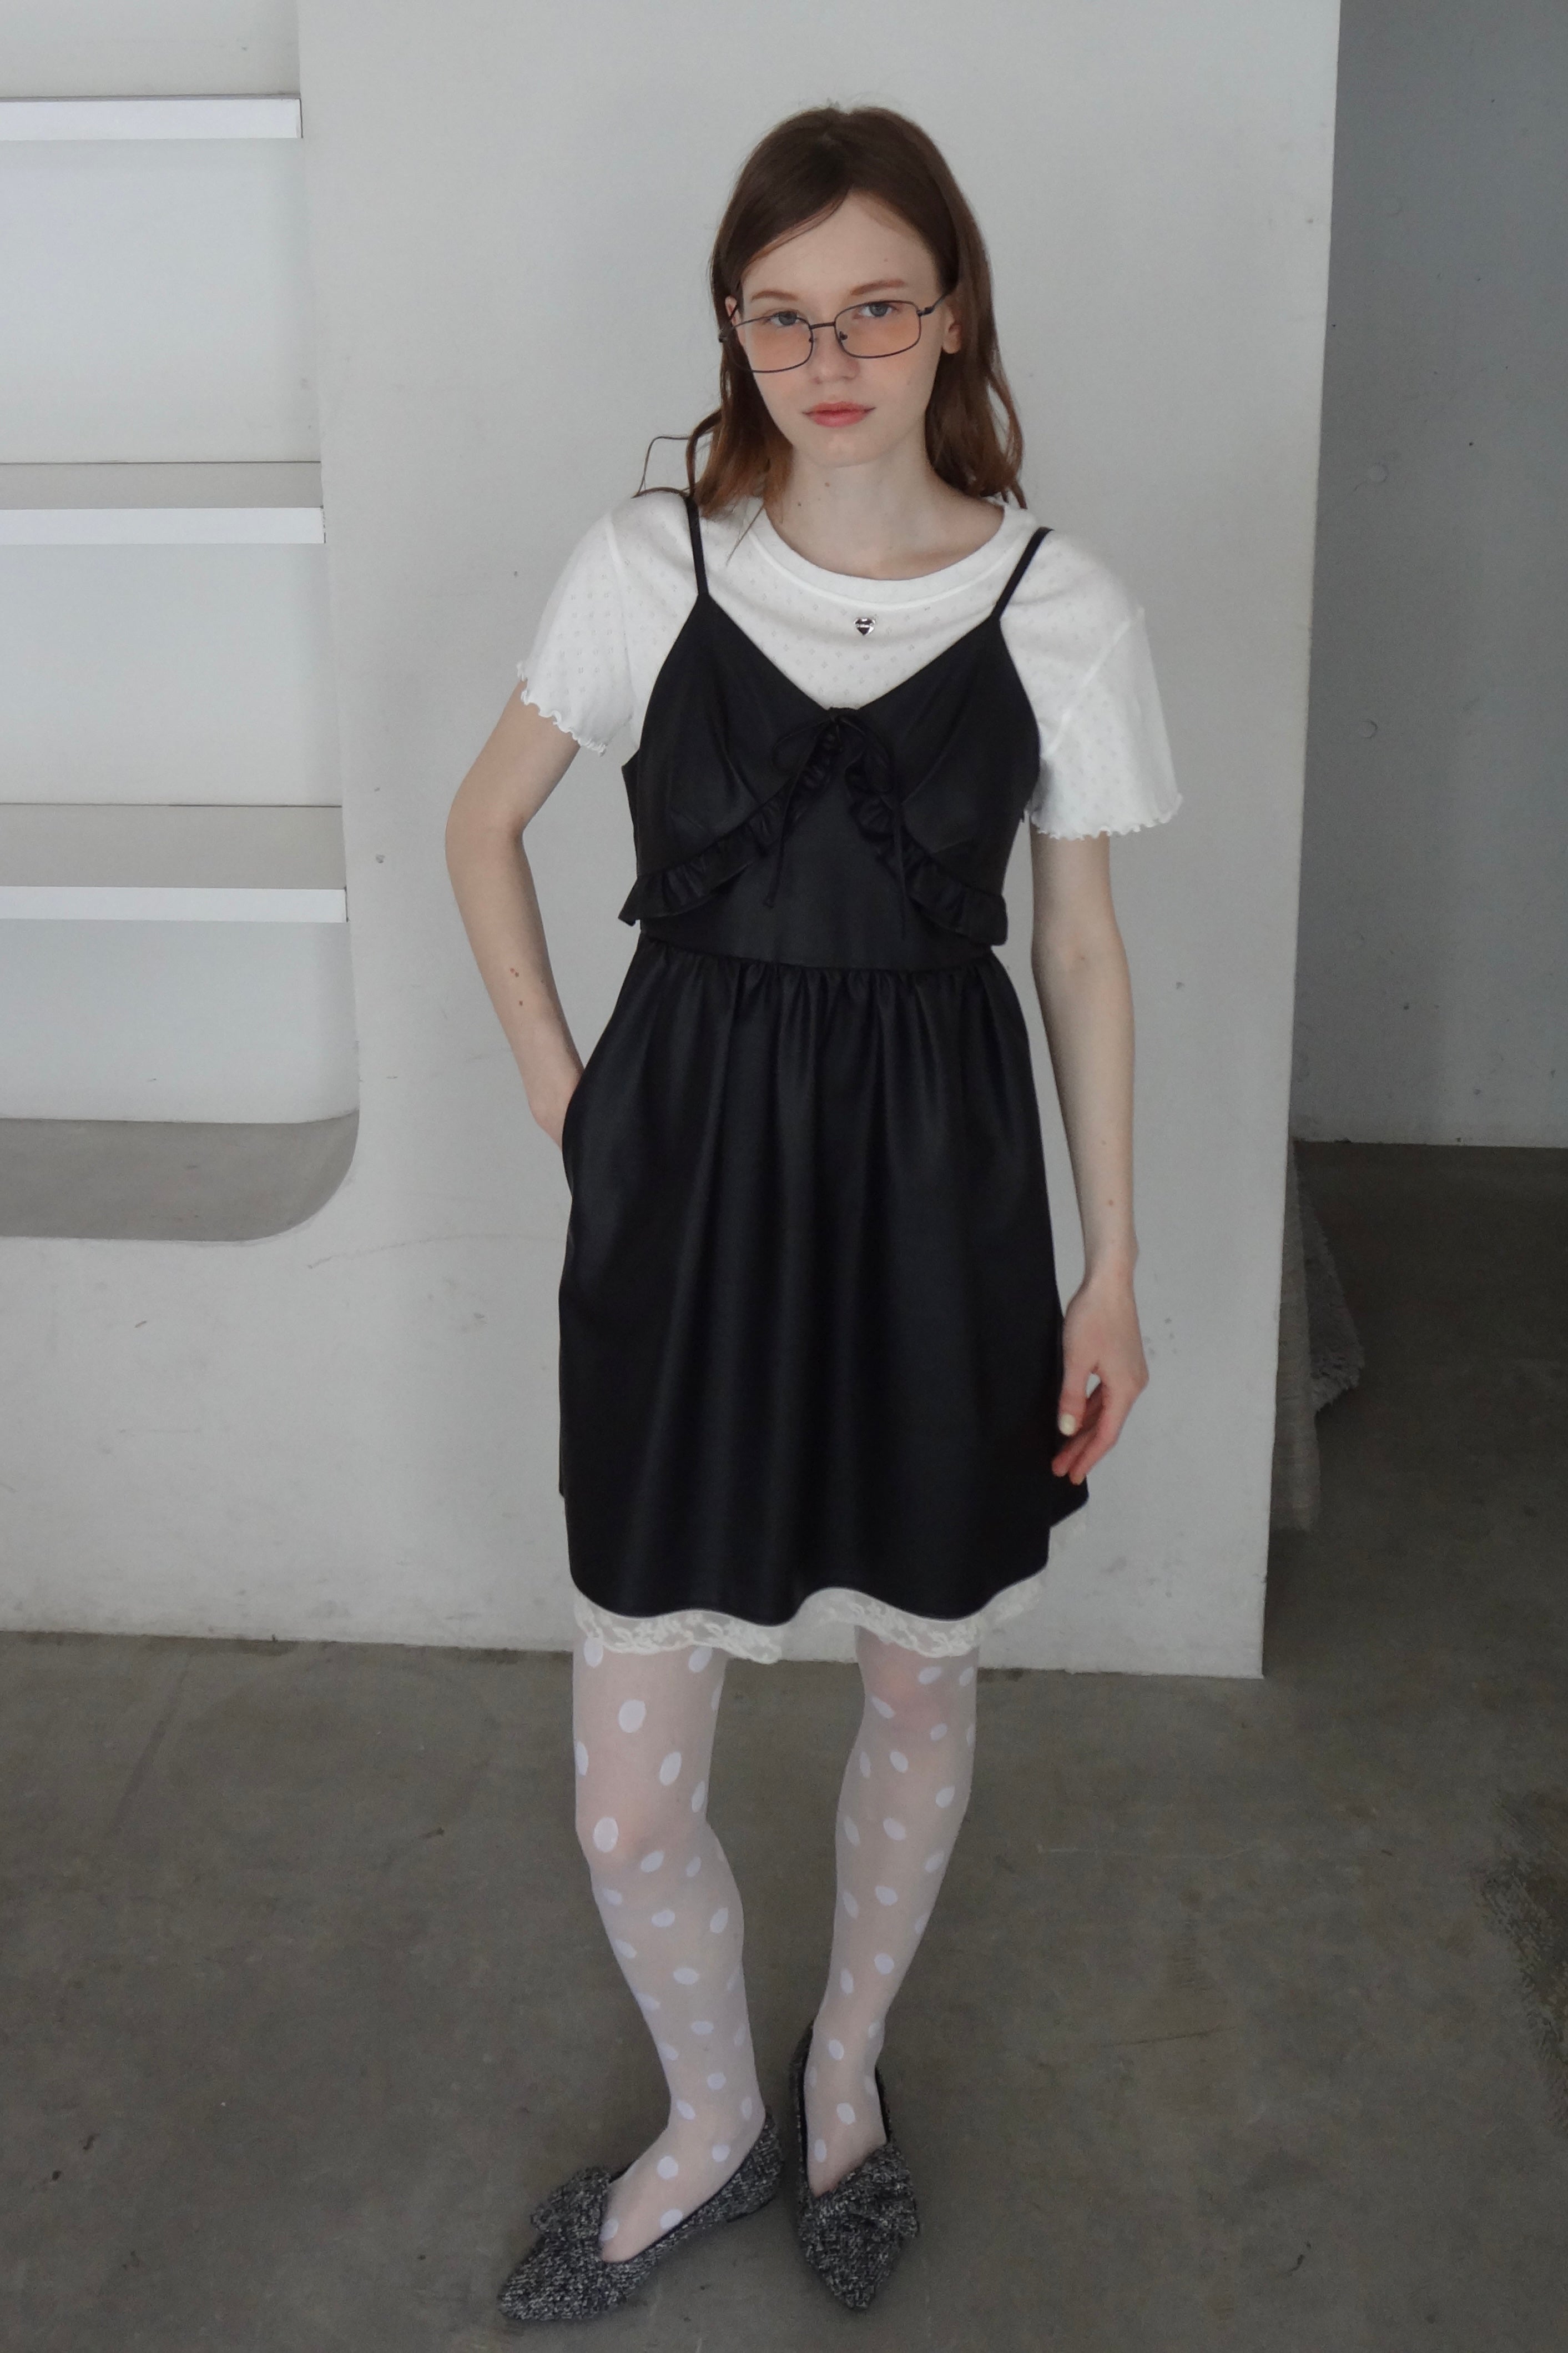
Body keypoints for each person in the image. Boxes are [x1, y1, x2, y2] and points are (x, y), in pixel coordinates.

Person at [445, 102, 1179, 2322]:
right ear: (732, 330)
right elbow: (482, 826)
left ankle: (839, 2076)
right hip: (682, 1197)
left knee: (917, 1681)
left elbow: (1076, 951)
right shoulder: (644, 565)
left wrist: (1111, 1264)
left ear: (950, 314)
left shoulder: (1061, 607)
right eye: (778, 316)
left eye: (872, 307)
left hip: (937, 1204)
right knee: (625, 1793)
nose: (826, 357)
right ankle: (710, 2116)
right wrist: (576, 1102)